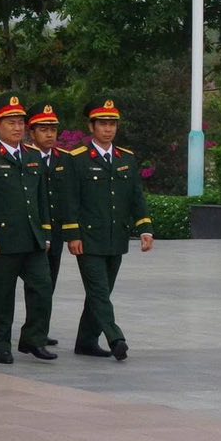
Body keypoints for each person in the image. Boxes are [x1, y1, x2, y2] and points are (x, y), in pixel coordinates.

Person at [62, 96, 154, 360]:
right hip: (89, 238)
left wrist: (145, 228)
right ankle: (116, 338)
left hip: (116, 236)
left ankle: (85, 341)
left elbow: (136, 196)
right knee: (99, 292)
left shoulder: (126, 158)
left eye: (112, 124)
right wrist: (72, 235)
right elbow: (70, 200)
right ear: (91, 126)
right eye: (102, 124)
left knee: (101, 292)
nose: (108, 129)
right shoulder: (77, 159)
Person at [0, 92, 55, 366]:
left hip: (32, 237)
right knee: (2, 296)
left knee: (42, 289)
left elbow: (41, 198)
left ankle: (33, 338)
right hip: (3, 240)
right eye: (11, 122)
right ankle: (0, 344)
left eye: (20, 122)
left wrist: (46, 232)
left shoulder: (33, 156)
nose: (17, 127)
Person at [27, 101, 70, 348]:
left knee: (48, 283)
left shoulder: (65, 159)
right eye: (43, 129)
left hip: (55, 231)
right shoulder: (25, 156)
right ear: (32, 133)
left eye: (53, 129)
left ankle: (40, 331)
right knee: (34, 283)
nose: (49, 134)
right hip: (29, 231)